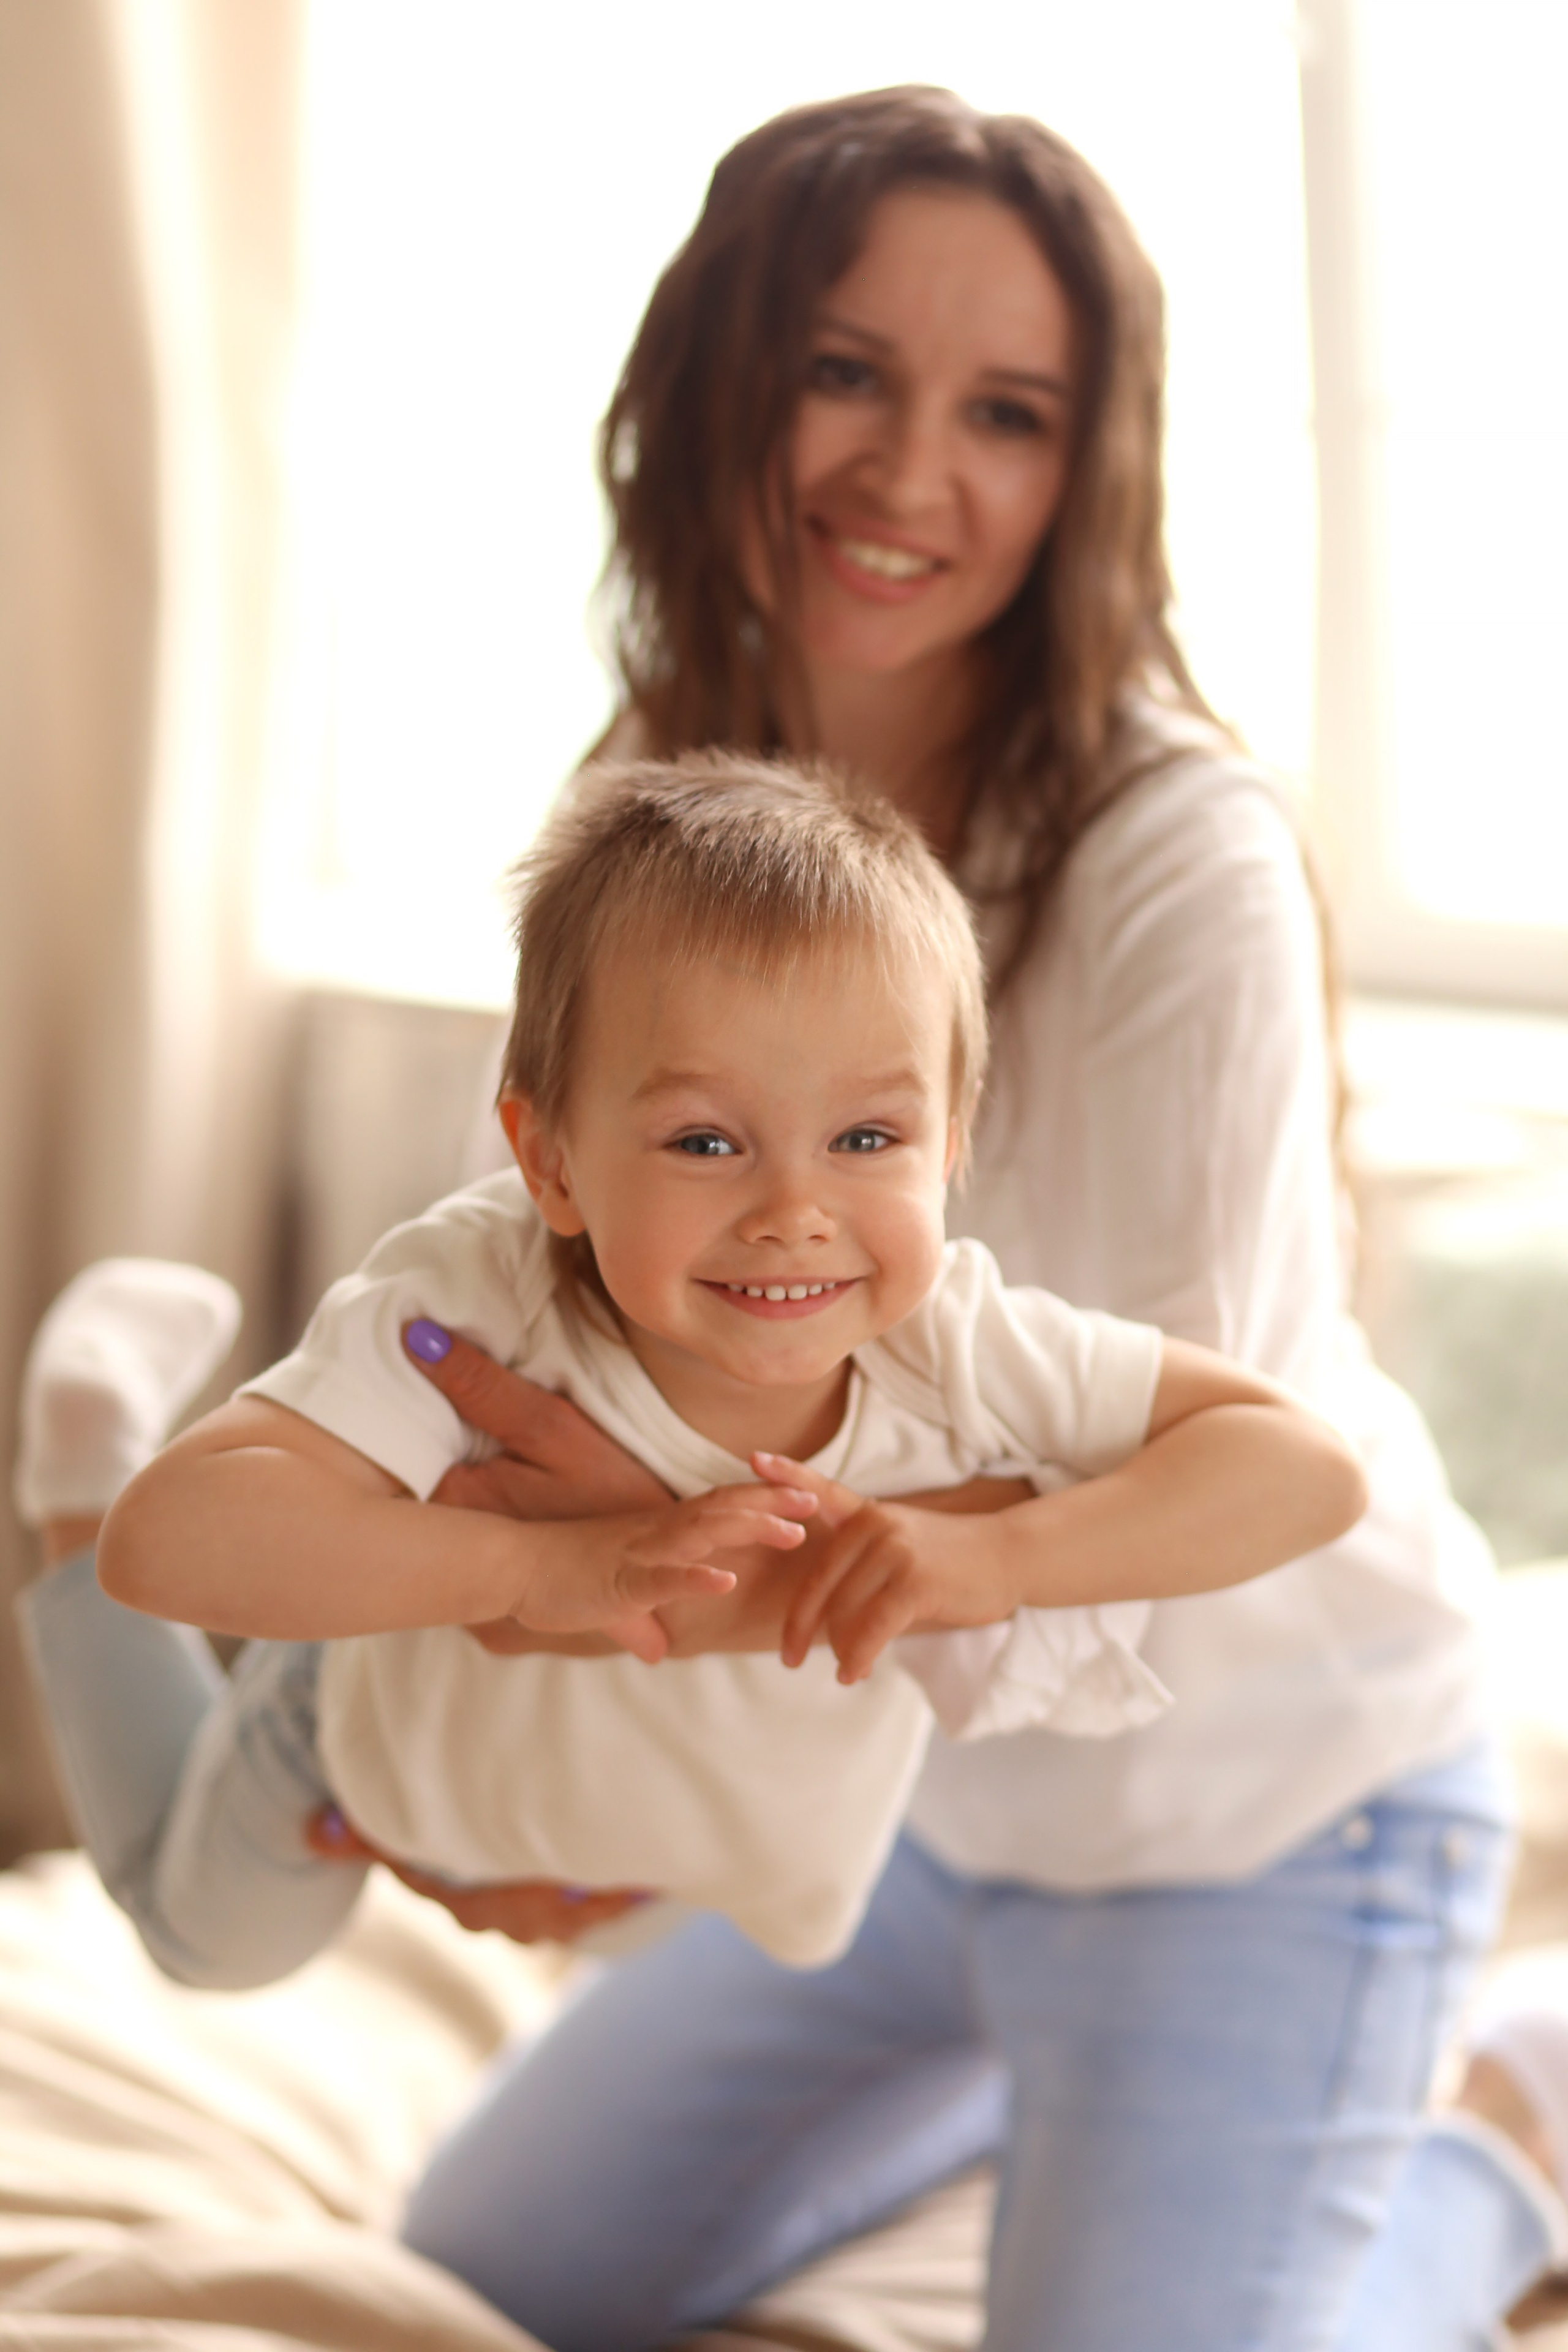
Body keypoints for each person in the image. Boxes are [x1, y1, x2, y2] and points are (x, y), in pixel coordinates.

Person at [9, 78, 1564, 2352]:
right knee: (478, 2289)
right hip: (912, 1814)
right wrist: (540, 1730)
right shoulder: (655, 809)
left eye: (1008, 412)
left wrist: (615, 1611)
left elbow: (1131, 1498)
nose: (911, 473)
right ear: (724, 379)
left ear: (1083, 468)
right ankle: (1019, 2092)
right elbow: (551, 1348)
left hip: (1254, 1817)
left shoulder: (1179, 863)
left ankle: (1496, 2133)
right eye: (846, 370)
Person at [19, 755, 1365, 1997]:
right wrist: (538, 1572)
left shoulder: (960, 1344)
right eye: (705, 1143)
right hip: (382, 1746)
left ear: (951, 1139)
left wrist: (997, 1560)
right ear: (546, 1160)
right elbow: (171, 1543)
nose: (795, 1209)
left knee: (642, 1941)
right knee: (214, 1943)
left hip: (668, 1855)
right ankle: (77, 1454)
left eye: (864, 1135)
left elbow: (1302, 1472)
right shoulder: (483, 1293)